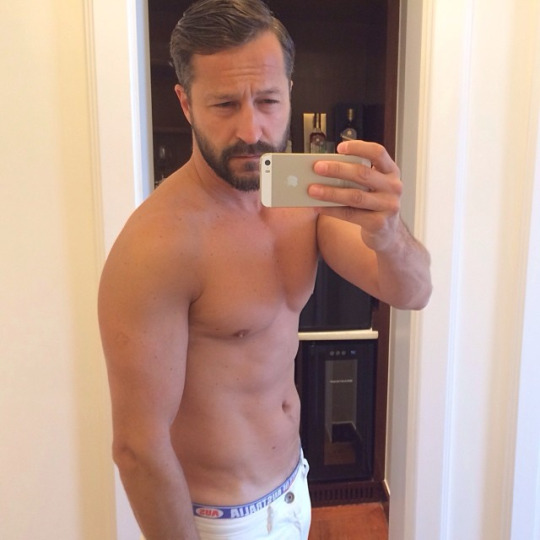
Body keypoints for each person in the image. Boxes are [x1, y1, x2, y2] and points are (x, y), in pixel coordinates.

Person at [98, 0, 432, 538]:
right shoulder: (157, 245)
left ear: (290, 93)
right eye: (225, 104)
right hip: (221, 521)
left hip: (295, 489)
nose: (251, 128)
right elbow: (138, 447)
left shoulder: (305, 203)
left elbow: (414, 292)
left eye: (268, 101)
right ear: (185, 103)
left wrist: (388, 231)